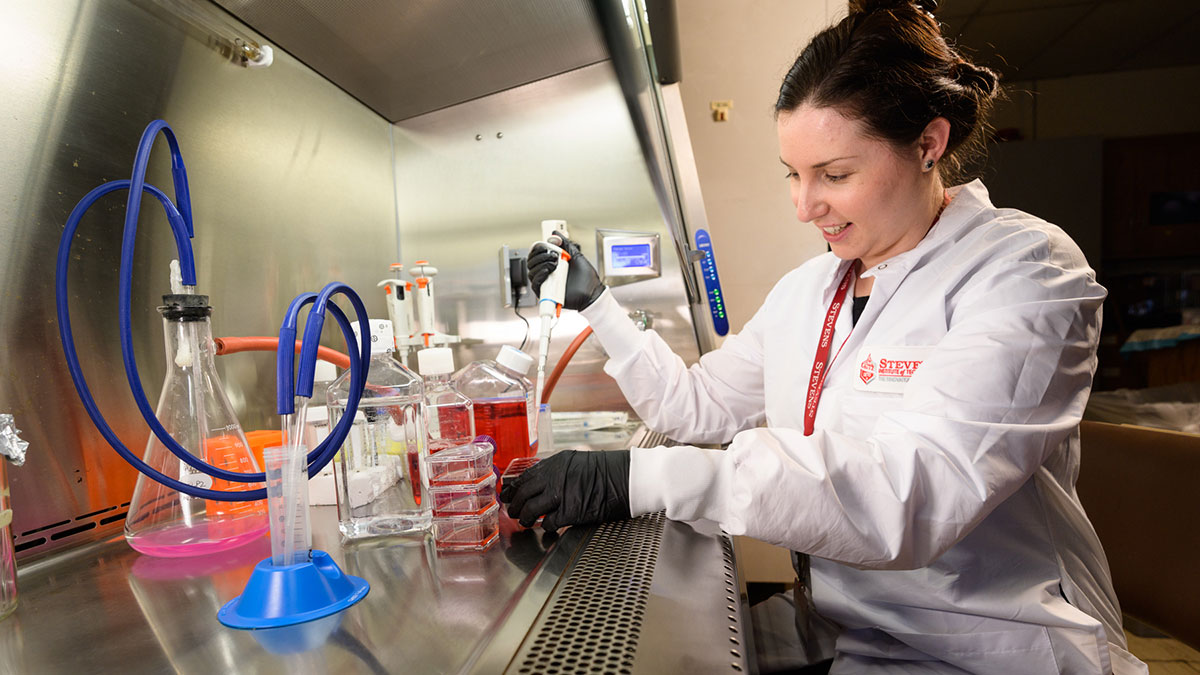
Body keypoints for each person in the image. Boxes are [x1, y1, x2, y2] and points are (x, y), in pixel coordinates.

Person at [502, 1, 1148, 673]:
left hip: (988, 648)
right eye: (793, 172)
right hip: (850, 631)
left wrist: (645, 476)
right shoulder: (811, 289)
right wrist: (598, 304)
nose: (804, 205)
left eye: (835, 175)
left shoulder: (1026, 270)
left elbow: (913, 495)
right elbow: (692, 407)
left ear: (930, 144)